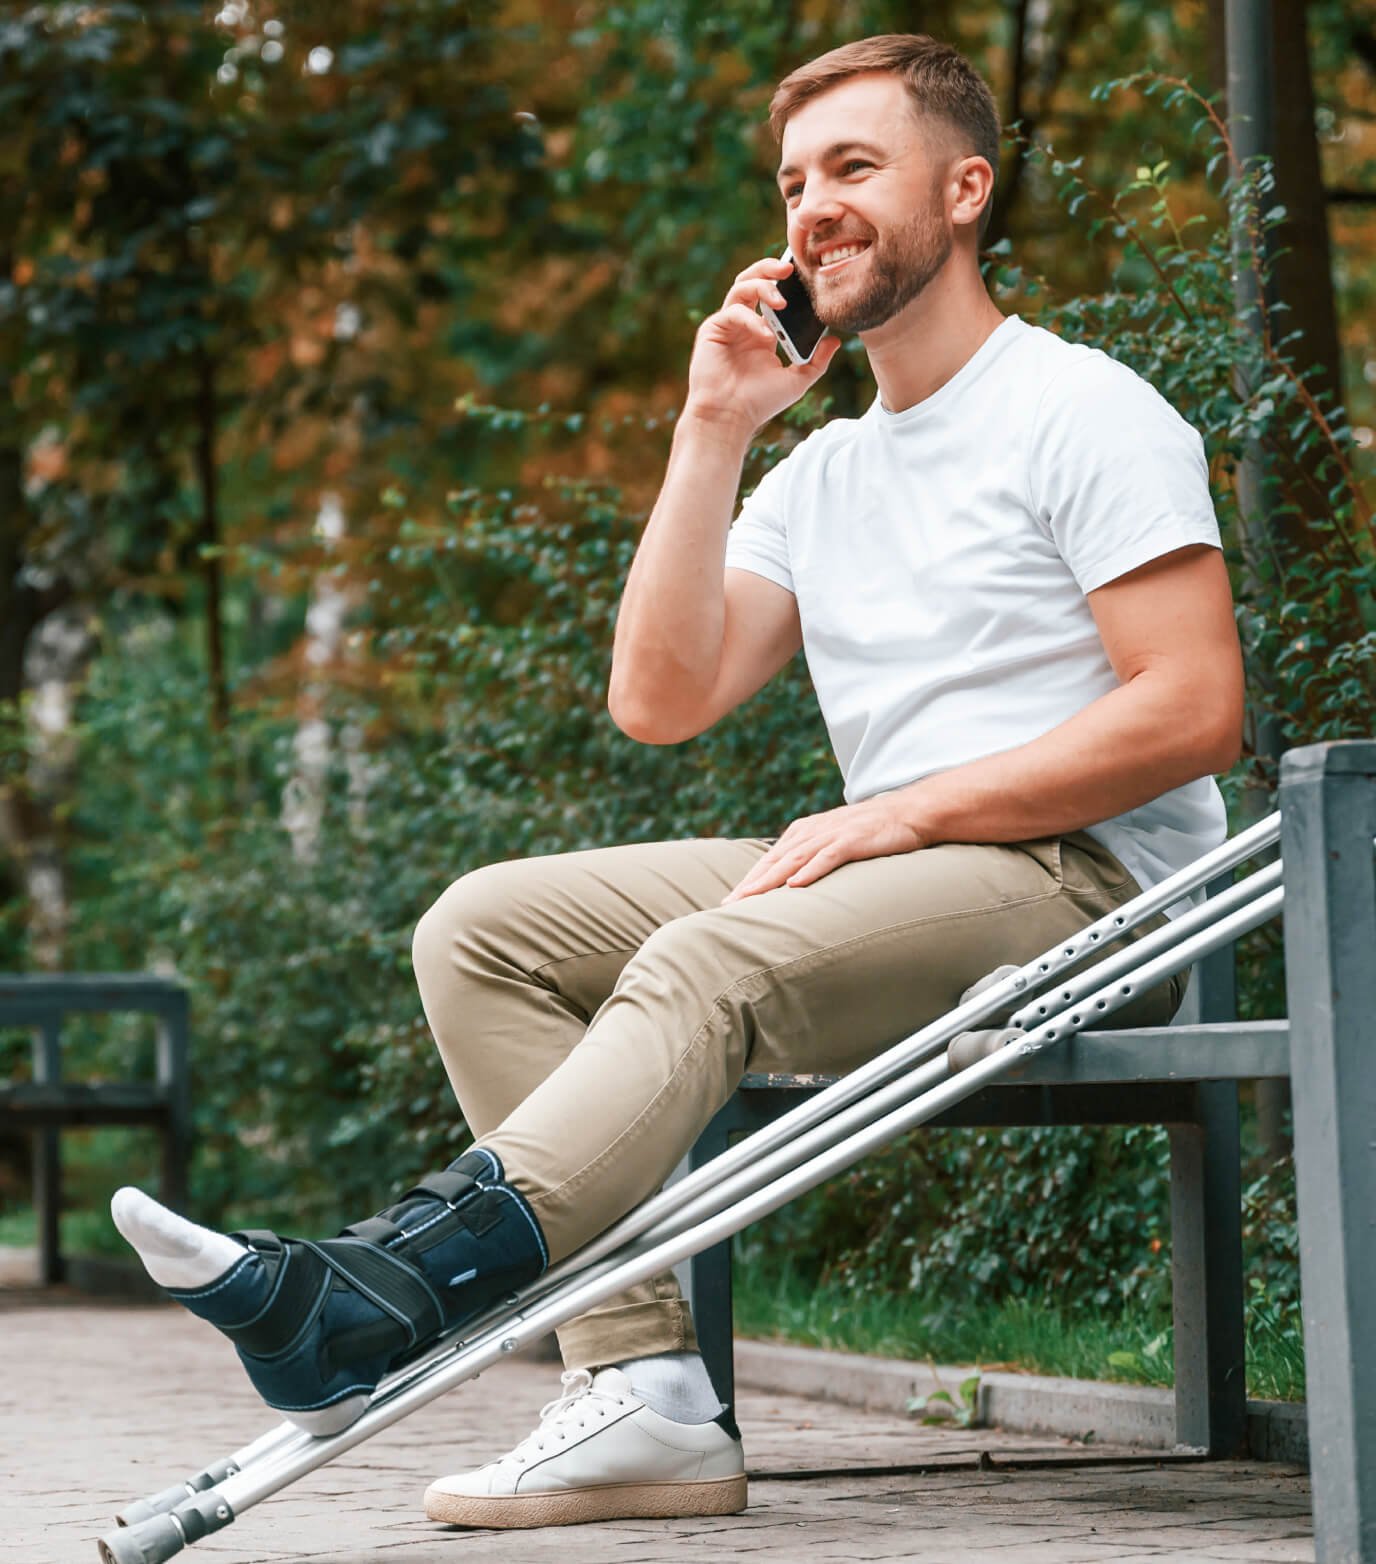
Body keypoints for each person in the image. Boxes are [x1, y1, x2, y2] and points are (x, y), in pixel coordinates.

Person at [113, 31, 1244, 1534]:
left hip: (1089, 888)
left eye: (854, 167)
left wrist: (902, 809)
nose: (810, 208)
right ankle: (640, 1390)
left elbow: (1194, 708)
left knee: (708, 956)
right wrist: (712, 427)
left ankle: (383, 1290)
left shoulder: (1080, 407)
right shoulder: (825, 475)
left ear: (966, 189)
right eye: (792, 182)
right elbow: (659, 700)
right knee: (483, 926)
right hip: (899, 873)